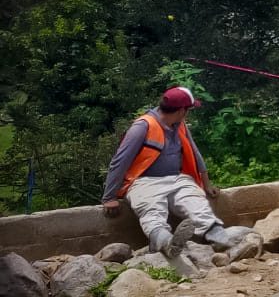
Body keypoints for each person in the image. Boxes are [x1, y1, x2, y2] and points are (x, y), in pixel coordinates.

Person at [101, 87, 260, 260]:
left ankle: (219, 237)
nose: (188, 114)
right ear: (181, 110)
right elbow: (119, 161)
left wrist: (206, 184)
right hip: (143, 182)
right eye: (188, 110)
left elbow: (194, 152)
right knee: (152, 211)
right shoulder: (142, 127)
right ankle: (164, 242)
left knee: (197, 204)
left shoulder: (179, 125)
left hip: (176, 179)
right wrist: (109, 197)